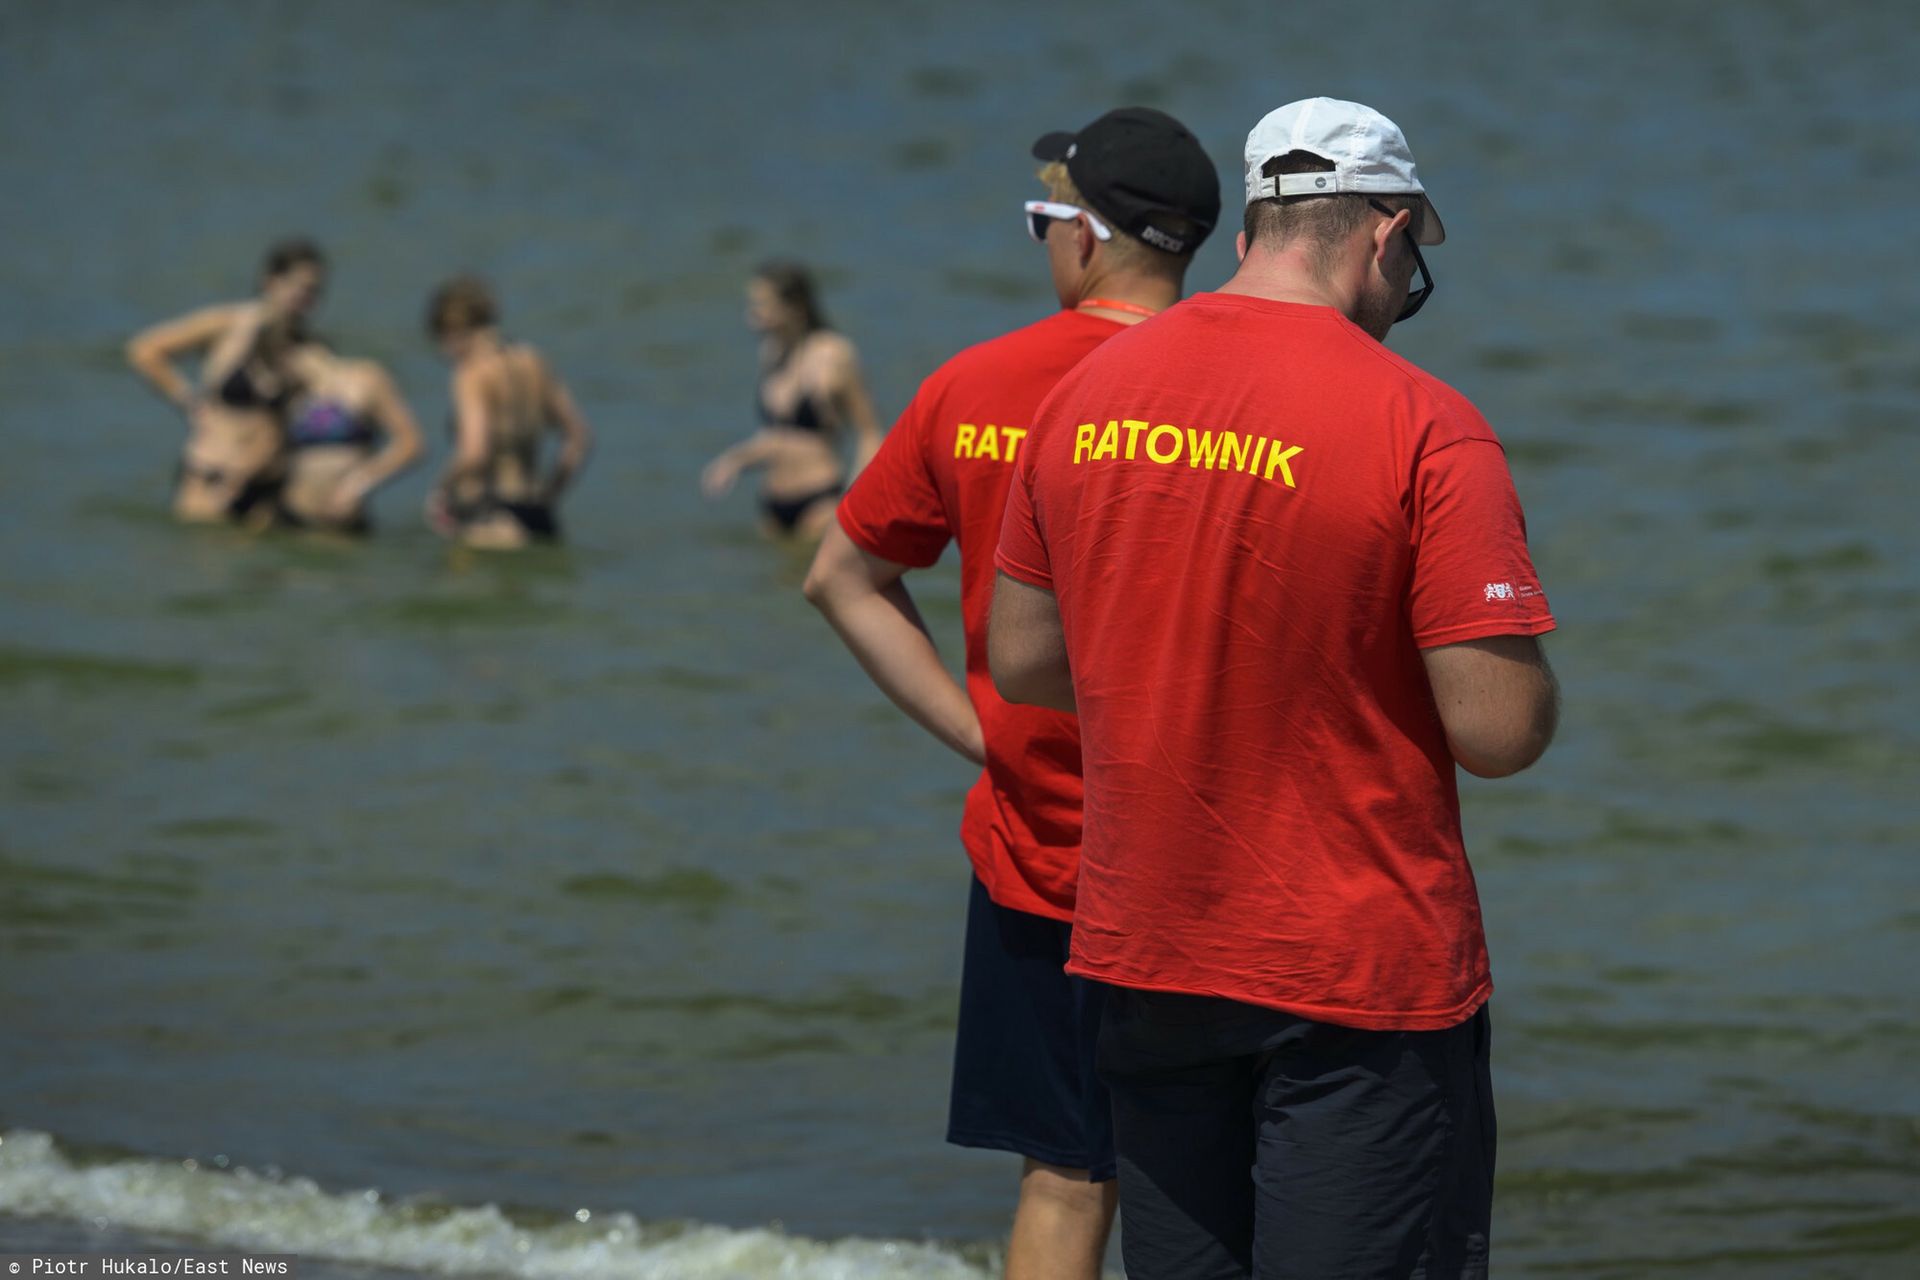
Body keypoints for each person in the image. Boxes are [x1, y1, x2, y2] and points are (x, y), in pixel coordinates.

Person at [989, 97, 1560, 1279]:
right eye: (1413, 266)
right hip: (1356, 971)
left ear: (1254, 228)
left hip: (1149, 945)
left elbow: (1027, 659)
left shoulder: (1087, 393)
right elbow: (1499, 729)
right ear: (1384, 235)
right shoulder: (1425, 423)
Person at [805, 108, 1221, 1280]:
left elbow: (842, 578)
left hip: (1041, 849)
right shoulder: (1241, 389)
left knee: (1066, 1172)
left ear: (1084, 238)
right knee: (1226, 1176)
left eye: (1044, 221)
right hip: (1221, 851)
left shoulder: (975, 384)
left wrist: (982, 730)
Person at [125, 238, 326, 523]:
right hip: (212, 476)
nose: (306, 299)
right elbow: (145, 351)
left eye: (314, 291)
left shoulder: (308, 349)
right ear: (271, 281)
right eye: (300, 288)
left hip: (269, 487)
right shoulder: (228, 325)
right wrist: (189, 401)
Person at [701, 263, 883, 539]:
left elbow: (870, 433)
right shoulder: (772, 352)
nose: (751, 313)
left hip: (820, 501)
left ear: (795, 307)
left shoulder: (834, 355)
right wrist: (734, 461)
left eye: (762, 304)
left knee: (815, 567)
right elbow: (777, 435)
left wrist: (853, 503)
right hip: (773, 504)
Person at [424, 277, 593, 550]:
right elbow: (579, 437)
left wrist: (439, 490)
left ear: (451, 330)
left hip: (490, 513)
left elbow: (474, 452)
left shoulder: (471, 374)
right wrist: (552, 494)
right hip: (539, 514)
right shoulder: (534, 360)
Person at [277, 341, 427, 532]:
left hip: (344, 521)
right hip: (294, 515)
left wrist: (357, 485)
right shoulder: (290, 392)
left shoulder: (365, 377)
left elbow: (411, 443)